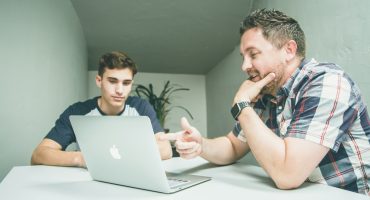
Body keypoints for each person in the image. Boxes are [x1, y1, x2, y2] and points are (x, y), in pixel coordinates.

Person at [161, 9, 370, 195]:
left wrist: (242, 105)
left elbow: (288, 175)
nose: (245, 66)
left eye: (253, 54)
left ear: (288, 50)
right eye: (243, 57)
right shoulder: (267, 93)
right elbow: (233, 146)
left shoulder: (328, 82)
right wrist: (202, 145)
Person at [31, 51, 172, 167]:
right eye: (112, 81)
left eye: (126, 83)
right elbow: (39, 155)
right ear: (99, 81)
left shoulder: (141, 108)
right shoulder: (77, 112)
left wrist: (117, 155)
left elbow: (166, 150)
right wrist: (81, 159)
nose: (119, 90)